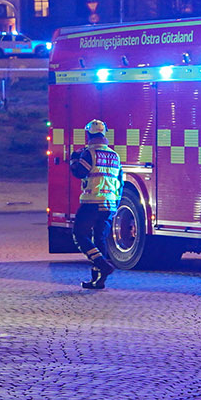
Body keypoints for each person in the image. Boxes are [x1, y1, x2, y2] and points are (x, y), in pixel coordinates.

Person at [69, 119, 122, 290]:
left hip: (92, 202)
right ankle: (98, 280)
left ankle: (102, 265)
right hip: (110, 204)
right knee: (99, 239)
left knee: (79, 235)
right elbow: (120, 182)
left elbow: (79, 172)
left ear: (89, 134)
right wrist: (116, 204)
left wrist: (74, 159)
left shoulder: (89, 153)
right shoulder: (114, 155)